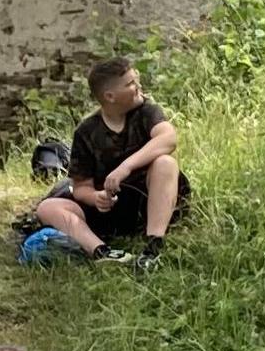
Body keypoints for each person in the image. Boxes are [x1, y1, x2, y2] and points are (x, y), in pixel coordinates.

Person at [27, 58, 187, 272]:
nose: (138, 86)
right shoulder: (86, 131)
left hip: (150, 201)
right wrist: (96, 198)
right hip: (110, 211)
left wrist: (125, 167)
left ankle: (153, 247)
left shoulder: (147, 112)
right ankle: (102, 251)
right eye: (130, 83)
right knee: (48, 207)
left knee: (165, 163)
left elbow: (168, 139)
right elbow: (82, 186)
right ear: (110, 96)